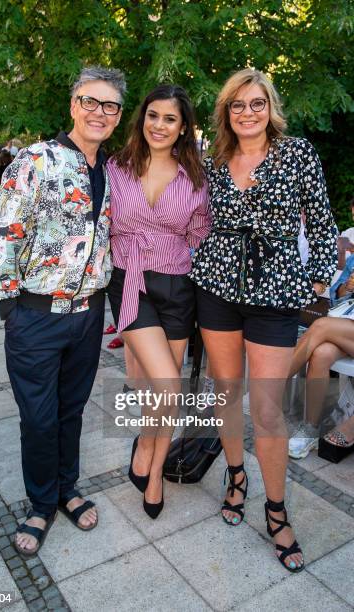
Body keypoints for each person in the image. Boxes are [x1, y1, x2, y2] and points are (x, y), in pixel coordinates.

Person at [190, 68, 338, 572]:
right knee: (226, 392)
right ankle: (236, 476)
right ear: (226, 112)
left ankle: (277, 510)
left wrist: (319, 280)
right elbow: (196, 220)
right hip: (216, 287)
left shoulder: (298, 153)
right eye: (237, 105)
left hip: (275, 292)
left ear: (270, 107)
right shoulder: (213, 160)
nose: (247, 113)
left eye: (256, 103)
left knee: (268, 409)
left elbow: (321, 220)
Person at [0, 66, 125, 555]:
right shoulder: (35, 160)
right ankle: (40, 504)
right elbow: (5, 231)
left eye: (109, 106)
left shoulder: (112, 170)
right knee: (39, 418)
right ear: (73, 105)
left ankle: (67, 490)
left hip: (88, 317)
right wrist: (10, 307)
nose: (99, 112)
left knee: (70, 412)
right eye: (90, 101)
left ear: (118, 116)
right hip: (35, 316)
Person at [107, 84, 210, 519]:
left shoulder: (196, 178)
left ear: (183, 126)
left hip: (177, 287)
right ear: (142, 118)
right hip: (130, 282)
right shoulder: (115, 167)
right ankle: (147, 445)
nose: (159, 125)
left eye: (170, 118)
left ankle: (153, 474)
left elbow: (201, 237)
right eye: (153, 115)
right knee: (167, 383)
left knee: (159, 388)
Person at [288, 256, 354, 459]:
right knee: (322, 354)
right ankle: (310, 428)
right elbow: (336, 296)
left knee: (320, 326)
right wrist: (348, 287)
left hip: (343, 329)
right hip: (348, 325)